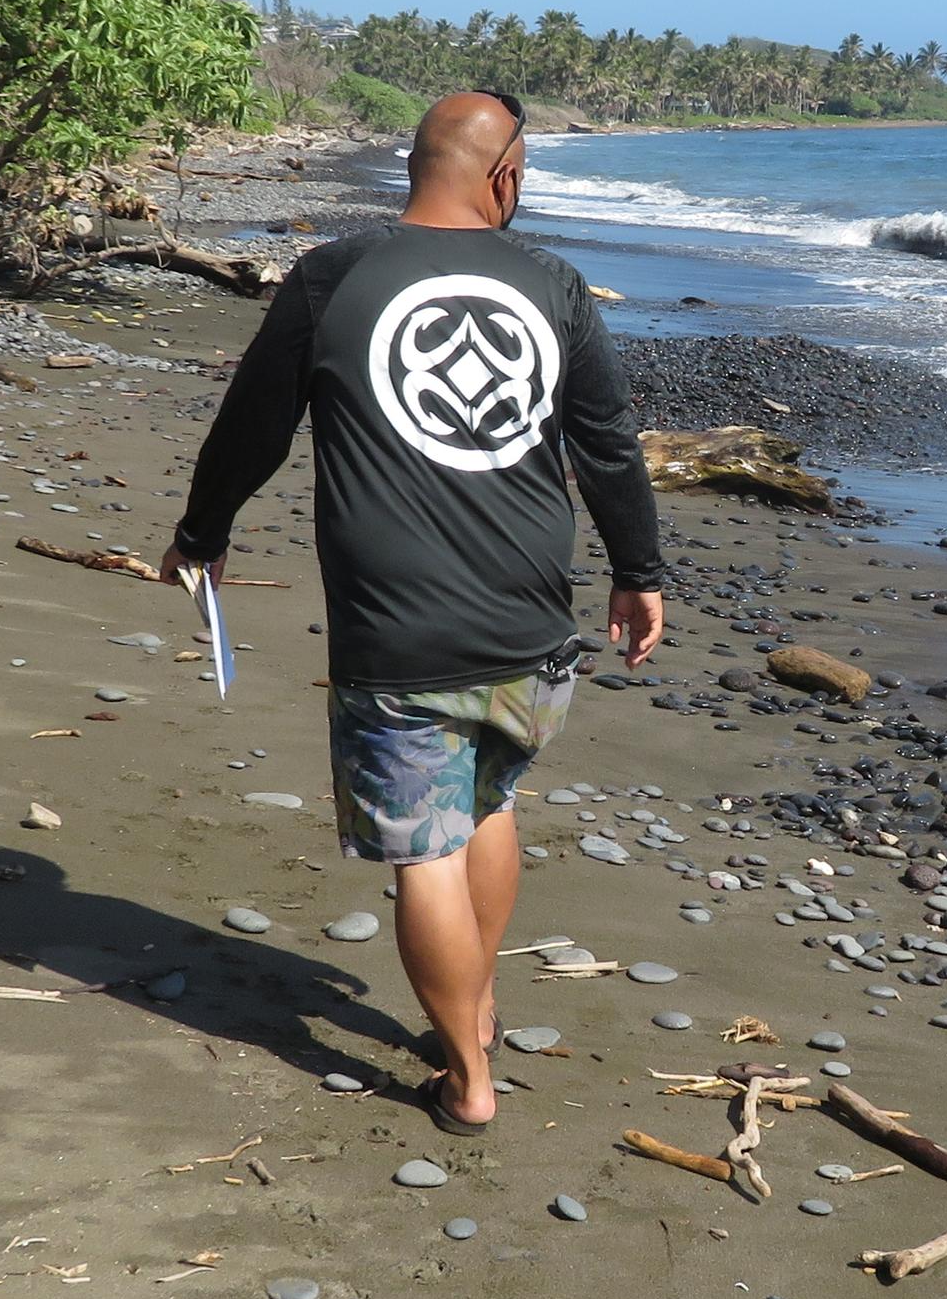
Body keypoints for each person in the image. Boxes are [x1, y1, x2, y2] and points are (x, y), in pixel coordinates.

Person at [162, 90, 666, 1129]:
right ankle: (474, 1013)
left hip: (397, 633)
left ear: (411, 169)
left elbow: (252, 427)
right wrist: (639, 571)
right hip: (531, 624)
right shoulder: (557, 284)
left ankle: (470, 1083)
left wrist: (203, 534)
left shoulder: (336, 277)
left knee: (428, 850)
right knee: (488, 805)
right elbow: (608, 444)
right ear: (506, 176)